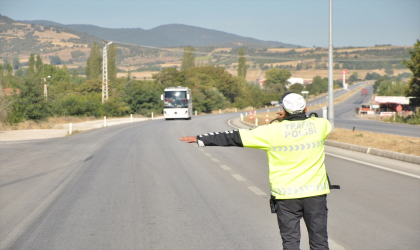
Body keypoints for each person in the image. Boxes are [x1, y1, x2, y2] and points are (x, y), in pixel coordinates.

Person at [180, 92, 332, 250]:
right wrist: (288, 118)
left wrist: (201, 139)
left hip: (286, 197)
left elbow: (234, 137)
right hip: (316, 195)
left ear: (284, 110)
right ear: (305, 108)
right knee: (319, 241)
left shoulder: (271, 131)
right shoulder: (320, 125)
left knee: (290, 242)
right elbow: (313, 121)